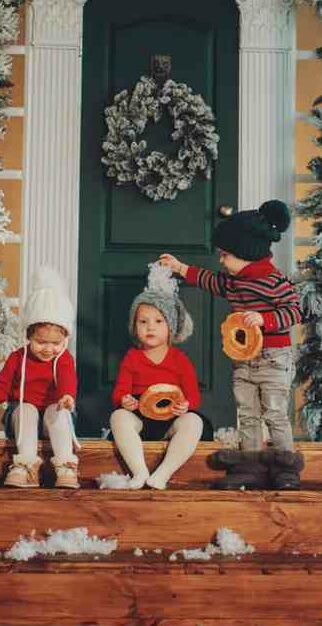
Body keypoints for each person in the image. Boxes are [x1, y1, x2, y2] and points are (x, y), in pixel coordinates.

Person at [160, 199, 304, 490]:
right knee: (247, 412)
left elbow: (294, 311)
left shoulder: (274, 281)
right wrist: (180, 267)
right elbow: (209, 280)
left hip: (274, 357)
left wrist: (265, 319)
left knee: (274, 412)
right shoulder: (233, 280)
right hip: (244, 359)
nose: (222, 261)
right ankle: (250, 465)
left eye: (226, 255)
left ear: (246, 252)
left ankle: (284, 467)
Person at [0, 267, 79, 488]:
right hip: (22, 420)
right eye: (41, 342)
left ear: (65, 338)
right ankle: (25, 466)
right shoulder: (18, 358)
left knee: (58, 410)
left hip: (52, 420)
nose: (48, 349)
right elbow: (1, 391)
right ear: (28, 336)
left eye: (55, 343)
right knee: (26, 408)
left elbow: (67, 379)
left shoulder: (64, 359)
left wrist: (66, 397)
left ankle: (66, 465)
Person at [109, 264, 207, 490]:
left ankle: (163, 473)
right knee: (118, 418)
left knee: (194, 421)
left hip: (171, 418)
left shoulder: (179, 359)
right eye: (143, 322)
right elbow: (120, 391)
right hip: (140, 419)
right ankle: (140, 471)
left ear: (171, 327)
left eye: (158, 321)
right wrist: (125, 400)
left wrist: (186, 405)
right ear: (135, 326)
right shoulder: (132, 357)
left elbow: (192, 394)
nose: (150, 327)